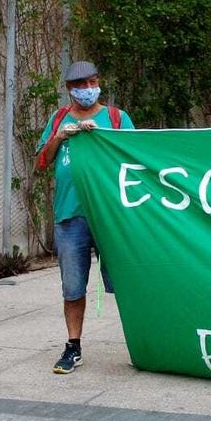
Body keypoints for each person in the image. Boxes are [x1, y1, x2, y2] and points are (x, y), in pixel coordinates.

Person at [35, 60, 136, 374]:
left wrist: (106, 138)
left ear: (98, 83)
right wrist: (61, 136)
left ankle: (143, 342)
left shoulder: (116, 118)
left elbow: (136, 155)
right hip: (70, 215)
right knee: (73, 286)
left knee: (128, 282)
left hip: (111, 216)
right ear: (70, 90)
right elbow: (42, 160)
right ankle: (73, 346)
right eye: (80, 85)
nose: (87, 90)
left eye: (91, 83)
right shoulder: (58, 119)